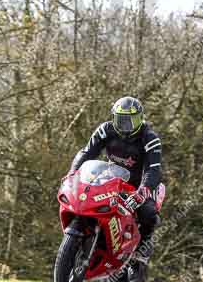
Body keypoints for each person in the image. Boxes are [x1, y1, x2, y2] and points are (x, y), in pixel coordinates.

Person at [67, 96, 162, 264]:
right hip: (112, 178)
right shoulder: (105, 130)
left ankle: (144, 245)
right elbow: (87, 153)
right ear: (113, 117)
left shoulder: (150, 138)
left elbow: (153, 169)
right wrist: (73, 173)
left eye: (130, 121)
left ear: (140, 119)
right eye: (121, 120)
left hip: (139, 184)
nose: (125, 126)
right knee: (85, 198)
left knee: (148, 212)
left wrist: (143, 191)